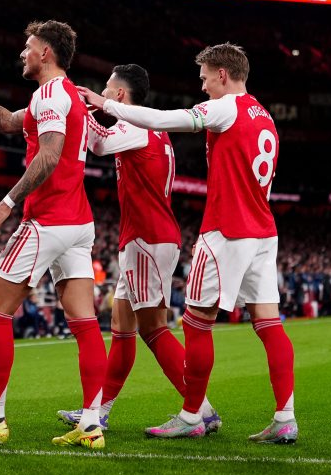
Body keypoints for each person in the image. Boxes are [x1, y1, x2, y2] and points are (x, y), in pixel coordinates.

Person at [78, 43, 297, 444]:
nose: (202, 86)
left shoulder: (226, 107)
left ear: (222, 75)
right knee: (269, 324)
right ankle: (285, 417)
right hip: (263, 230)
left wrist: (103, 103)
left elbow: (165, 118)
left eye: (205, 77)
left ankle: (193, 414)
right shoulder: (264, 115)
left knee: (195, 324)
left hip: (226, 229)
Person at [0, 22, 107, 449]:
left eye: (28, 47)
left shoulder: (51, 95)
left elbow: (49, 156)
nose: (22, 53)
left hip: (48, 220)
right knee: (85, 323)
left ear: (46, 53)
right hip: (79, 223)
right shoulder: (63, 95)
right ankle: (91, 424)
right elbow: (6, 122)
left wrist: (6, 203)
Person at [56, 64, 221, 434]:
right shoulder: (149, 127)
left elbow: (98, 144)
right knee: (122, 328)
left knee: (153, 329)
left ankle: (201, 410)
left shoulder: (136, 124)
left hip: (147, 238)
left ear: (119, 94)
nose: (102, 93)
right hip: (145, 237)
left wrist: (77, 105)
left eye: (106, 88)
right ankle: (98, 410)